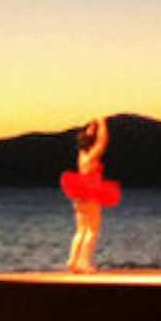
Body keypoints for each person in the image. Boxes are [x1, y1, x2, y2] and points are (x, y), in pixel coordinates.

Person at [60, 116, 122, 274]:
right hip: (90, 193)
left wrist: (92, 126)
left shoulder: (82, 155)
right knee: (92, 230)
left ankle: (73, 260)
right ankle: (84, 262)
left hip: (79, 194)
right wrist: (102, 123)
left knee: (81, 229)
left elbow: (90, 139)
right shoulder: (92, 155)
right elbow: (103, 140)